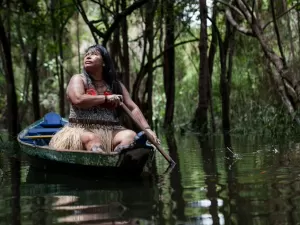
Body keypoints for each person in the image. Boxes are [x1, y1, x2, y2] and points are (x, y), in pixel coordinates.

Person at [49, 44, 159, 153]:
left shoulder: (115, 85)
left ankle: (118, 158)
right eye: (86, 55)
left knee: (130, 136)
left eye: (94, 54)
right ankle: (98, 154)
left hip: (111, 131)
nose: (88, 56)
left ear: (104, 62)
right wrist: (106, 98)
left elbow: (132, 107)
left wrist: (147, 129)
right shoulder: (78, 79)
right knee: (92, 139)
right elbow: (78, 99)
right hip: (80, 130)